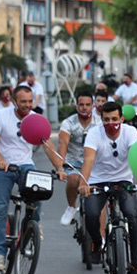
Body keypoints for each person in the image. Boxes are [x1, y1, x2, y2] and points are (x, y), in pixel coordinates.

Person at [0, 85, 66, 271]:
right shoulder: (2, 116)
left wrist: (60, 168)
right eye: (23, 102)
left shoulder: (36, 119)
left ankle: (32, 226)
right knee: (0, 207)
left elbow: (47, 146)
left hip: (25, 165)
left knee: (39, 192)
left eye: (30, 101)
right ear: (14, 101)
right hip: (2, 167)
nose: (28, 105)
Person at [77, 101, 137, 274]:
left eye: (115, 119)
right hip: (98, 182)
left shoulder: (130, 132)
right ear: (101, 120)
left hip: (123, 181)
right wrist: (83, 183)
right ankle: (96, 243)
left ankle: (134, 263)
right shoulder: (94, 134)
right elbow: (88, 160)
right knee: (92, 213)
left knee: (131, 216)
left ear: (122, 119)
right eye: (107, 119)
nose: (111, 123)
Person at [58, 91, 100, 225]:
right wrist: (60, 167)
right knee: (73, 179)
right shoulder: (68, 123)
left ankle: (102, 237)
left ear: (93, 106)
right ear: (76, 106)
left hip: (94, 162)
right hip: (74, 162)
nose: (84, 108)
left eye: (88, 105)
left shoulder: (99, 122)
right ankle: (71, 207)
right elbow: (63, 144)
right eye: (81, 105)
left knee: (99, 200)